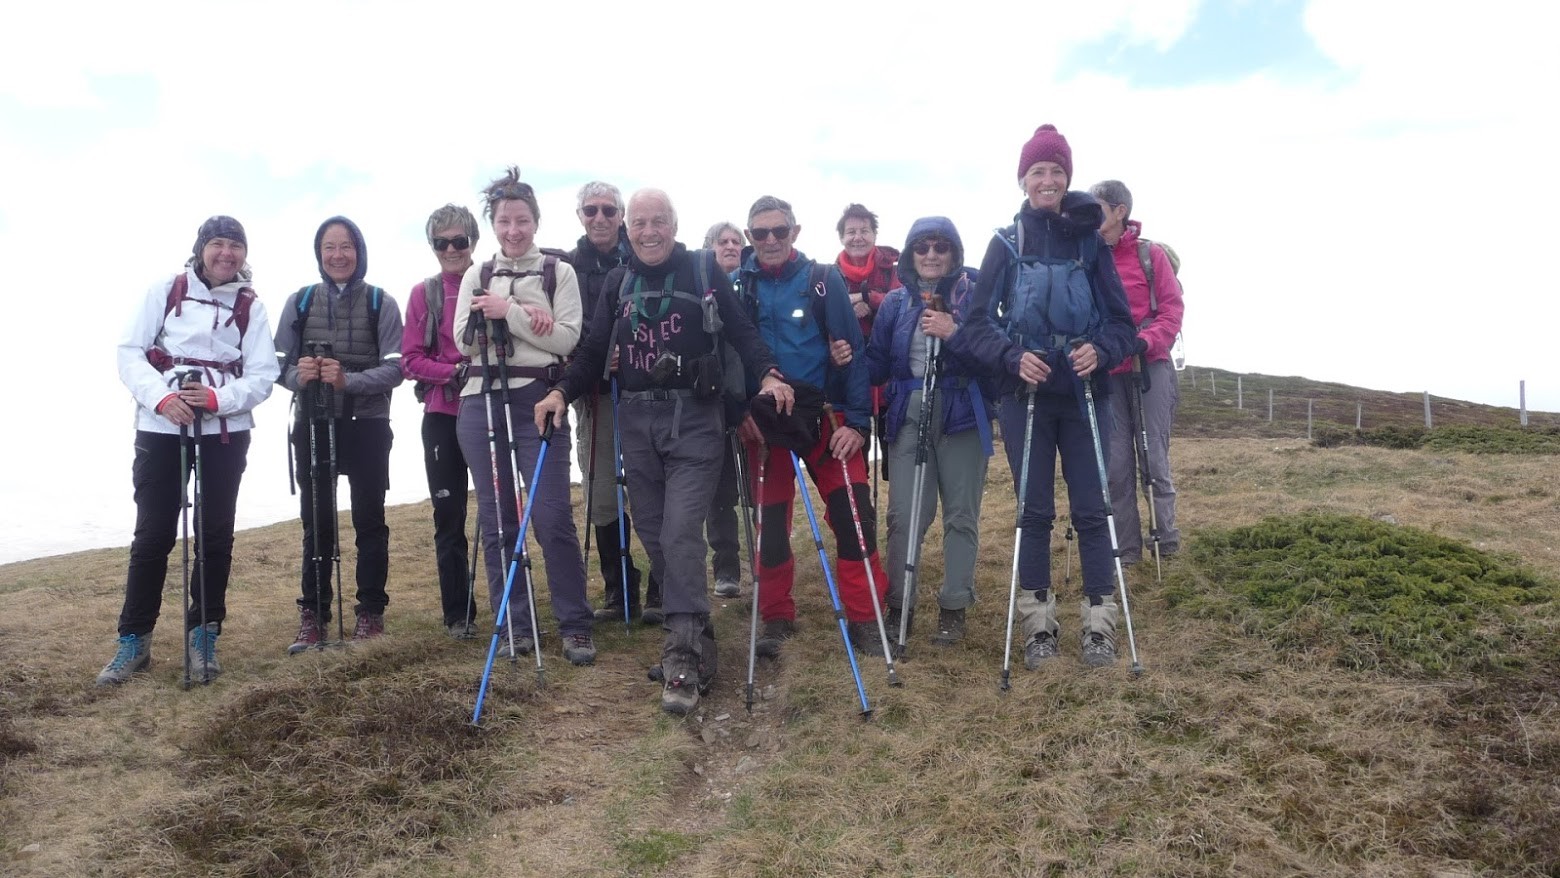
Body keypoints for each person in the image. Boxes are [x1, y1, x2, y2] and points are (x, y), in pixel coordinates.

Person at [536, 188, 790, 714]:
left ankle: (680, 658)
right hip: (636, 421)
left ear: (674, 224)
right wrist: (562, 390)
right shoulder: (617, 282)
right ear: (629, 229)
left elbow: (741, 330)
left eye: (659, 221)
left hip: (695, 419)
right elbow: (591, 348)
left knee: (679, 533)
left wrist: (767, 374)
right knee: (655, 536)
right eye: (640, 223)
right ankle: (699, 638)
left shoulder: (702, 270)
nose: (648, 231)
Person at [948, 124, 1139, 669]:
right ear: (1023, 180)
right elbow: (976, 323)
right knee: (1034, 511)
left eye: (1057, 171)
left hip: (1083, 393)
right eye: (1038, 172)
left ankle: (1099, 621)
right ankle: (1037, 623)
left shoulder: (1091, 244)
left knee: (1092, 509)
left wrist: (1100, 351)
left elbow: (1123, 325)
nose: (1048, 180)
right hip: (1025, 395)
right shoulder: (1006, 243)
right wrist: (1012, 357)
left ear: (1068, 178)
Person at [100, 216, 280, 684]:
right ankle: (133, 639)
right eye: (217, 244)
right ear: (201, 248)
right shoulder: (164, 290)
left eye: (235, 245)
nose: (227, 253)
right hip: (161, 425)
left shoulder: (250, 306)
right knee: (153, 533)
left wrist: (219, 399)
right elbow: (129, 351)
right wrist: (162, 397)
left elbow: (262, 374)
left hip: (225, 428)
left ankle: (205, 634)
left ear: (245, 253)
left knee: (215, 532)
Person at [453, 167, 595, 666]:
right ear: (492, 224)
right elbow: (462, 341)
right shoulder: (477, 272)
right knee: (497, 521)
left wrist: (508, 311)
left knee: (552, 514)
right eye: (503, 221)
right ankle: (514, 626)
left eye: (522, 221)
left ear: (535, 221)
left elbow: (567, 340)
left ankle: (575, 624)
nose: (513, 231)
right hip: (481, 401)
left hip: (539, 400)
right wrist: (525, 318)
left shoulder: (560, 272)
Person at [736, 195, 889, 658]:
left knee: (853, 514)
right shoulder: (738, 287)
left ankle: (865, 617)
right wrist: (740, 414)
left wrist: (859, 424)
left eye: (779, 231)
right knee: (773, 526)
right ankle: (777, 616)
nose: (770, 240)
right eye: (760, 233)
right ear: (749, 237)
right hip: (766, 423)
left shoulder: (823, 281)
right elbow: (731, 358)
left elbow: (853, 353)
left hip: (826, 417)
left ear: (795, 232)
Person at [275, 216, 404, 653]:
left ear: (359, 250)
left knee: (370, 521)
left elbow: (396, 367)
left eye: (346, 246)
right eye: (329, 247)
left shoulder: (380, 303)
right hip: (314, 423)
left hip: (367, 425)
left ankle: (370, 613)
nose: (338, 255)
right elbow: (274, 364)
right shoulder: (300, 301)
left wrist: (346, 380)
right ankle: (313, 614)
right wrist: (299, 375)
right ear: (319, 254)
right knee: (317, 524)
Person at [865, 217, 993, 648]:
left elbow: (995, 360)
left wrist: (953, 333)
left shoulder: (976, 299)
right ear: (909, 254)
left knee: (961, 515)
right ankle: (900, 604)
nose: (932, 255)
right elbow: (877, 365)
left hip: (961, 417)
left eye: (941, 246)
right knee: (904, 515)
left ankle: (953, 607)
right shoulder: (895, 305)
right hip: (908, 418)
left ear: (955, 252)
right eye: (922, 247)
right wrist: (843, 354)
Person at [565, 181, 656, 625]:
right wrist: (599, 358)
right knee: (602, 492)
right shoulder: (565, 268)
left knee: (653, 487)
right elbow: (567, 331)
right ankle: (621, 588)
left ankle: (662, 586)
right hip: (594, 395)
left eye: (608, 210)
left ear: (621, 215)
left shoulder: (641, 257)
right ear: (579, 215)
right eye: (590, 210)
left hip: (642, 393)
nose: (599, 218)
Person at [1090, 179, 1184, 564]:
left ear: (1119, 212)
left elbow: (1172, 310)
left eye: (1096, 209)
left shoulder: (1151, 255)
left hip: (1151, 366)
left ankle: (1166, 540)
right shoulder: (1088, 258)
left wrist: (1145, 341)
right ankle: (1126, 551)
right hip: (1109, 371)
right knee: (1115, 465)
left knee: (1153, 457)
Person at [401, 204, 481, 639]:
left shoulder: (490, 281)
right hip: (442, 414)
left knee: (500, 513)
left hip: (486, 409)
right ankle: (457, 614)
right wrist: (453, 373)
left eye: (459, 240)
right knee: (448, 516)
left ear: (473, 241)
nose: (451, 249)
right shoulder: (424, 293)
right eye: (441, 242)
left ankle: (513, 607)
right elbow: (410, 359)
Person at [701, 220, 749, 599]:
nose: (731, 247)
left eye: (737, 241)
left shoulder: (754, 286)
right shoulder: (700, 287)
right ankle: (727, 567)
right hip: (713, 400)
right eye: (723, 241)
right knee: (719, 492)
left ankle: (769, 560)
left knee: (760, 486)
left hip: (752, 400)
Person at [834, 204, 899, 340]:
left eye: (864, 231)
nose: (858, 238)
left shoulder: (894, 268)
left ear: (875, 235)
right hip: (847, 352)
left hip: (888, 352)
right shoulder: (831, 275)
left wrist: (867, 298)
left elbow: (902, 304)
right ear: (841, 238)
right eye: (851, 232)